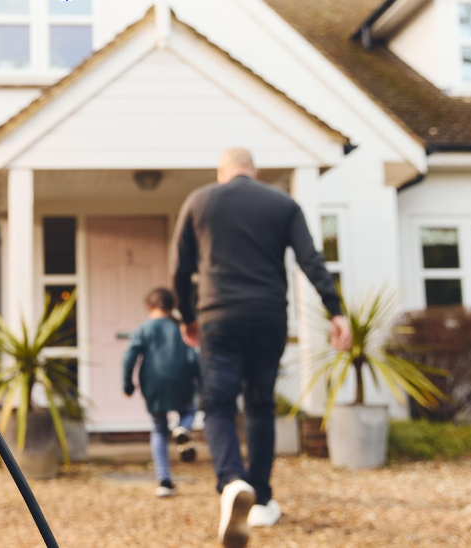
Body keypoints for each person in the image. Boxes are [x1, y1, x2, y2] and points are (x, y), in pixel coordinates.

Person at [171, 148, 352, 548]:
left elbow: (180, 267)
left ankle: (233, 481)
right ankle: (262, 499)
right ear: (254, 171)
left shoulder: (199, 201)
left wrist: (187, 316)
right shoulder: (282, 203)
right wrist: (335, 311)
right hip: (269, 318)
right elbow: (311, 259)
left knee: (218, 405)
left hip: (218, 318)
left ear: (222, 173)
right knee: (260, 405)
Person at [122, 287, 201, 498]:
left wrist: (127, 384)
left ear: (150, 306)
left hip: (153, 383)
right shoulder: (180, 328)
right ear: (171, 306)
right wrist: (199, 380)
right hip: (181, 380)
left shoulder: (143, 329)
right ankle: (183, 428)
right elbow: (193, 356)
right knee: (190, 409)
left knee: (158, 428)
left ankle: (164, 481)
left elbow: (130, 357)